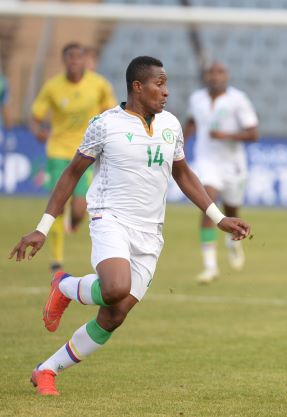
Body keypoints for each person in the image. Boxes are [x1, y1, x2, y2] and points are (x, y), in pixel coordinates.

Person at [9, 56, 251, 396]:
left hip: (151, 232)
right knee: (114, 287)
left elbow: (182, 174)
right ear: (137, 86)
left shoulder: (170, 124)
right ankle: (64, 287)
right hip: (111, 218)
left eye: (166, 84)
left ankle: (46, 369)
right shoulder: (105, 124)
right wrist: (43, 227)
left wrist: (219, 218)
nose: (166, 92)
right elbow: (72, 174)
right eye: (159, 84)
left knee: (114, 315)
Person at [30, 42, 117, 272]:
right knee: (58, 204)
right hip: (58, 151)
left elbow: (112, 112)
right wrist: (37, 130)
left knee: (79, 210)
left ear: (84, 60)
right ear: (64, 60)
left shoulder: (99, 85)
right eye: (70, 57)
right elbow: (36, 114)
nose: (75, 61)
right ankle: (56, 259)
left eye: (79, 57)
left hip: (87, 151)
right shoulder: (52, 87)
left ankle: (74, 222)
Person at [184, 61, 259, 283]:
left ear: (226, 76)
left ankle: (232, 241)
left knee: (231, 209)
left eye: (220, 73)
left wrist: (225, 136)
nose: (215, 77)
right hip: (207, 162)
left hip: (233, 165)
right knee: (208, 205)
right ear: (206, 76)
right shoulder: (196, 99)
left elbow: (253, 133)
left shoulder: (238, 100)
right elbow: (190, 122)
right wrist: (180, 146)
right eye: (211, 73)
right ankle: (210, 266)